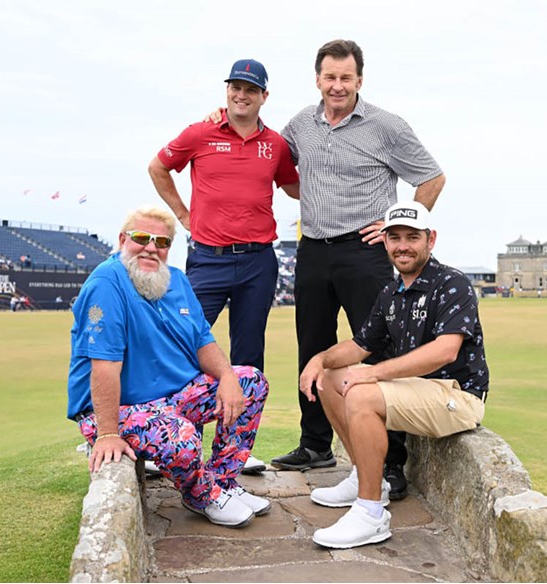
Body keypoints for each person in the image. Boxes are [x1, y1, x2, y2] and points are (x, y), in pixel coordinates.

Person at [269, 40, 446, 501]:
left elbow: (431, 176)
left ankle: (389, 464)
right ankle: (315, 446)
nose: (337, 86)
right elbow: (276, 165)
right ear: (317, 79)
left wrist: (393, 224)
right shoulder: (300, 125)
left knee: (375, 348)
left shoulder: (385, 126)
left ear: (359, 81)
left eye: (346, 78)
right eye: (330, 77)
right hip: (313, 248)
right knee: (313, 346)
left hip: (364, 254)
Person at [299, 201, 489, 549]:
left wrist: (373, 376)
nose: (403, 245)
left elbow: (445, 350)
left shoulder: (452, 283)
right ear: (384, 241)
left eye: (412, 237)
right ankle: (365, 477)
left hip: (456, 395)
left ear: (430, 240)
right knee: (329, 378)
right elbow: (360, 345)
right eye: (395, 237)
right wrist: (320, 359)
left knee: (360, 391)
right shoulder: (391, 291)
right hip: (416, 391)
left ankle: (371, 513)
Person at [66, 206, 271, 528]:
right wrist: (106, 434)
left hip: (173, 396)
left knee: (251, 381)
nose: (151, 247)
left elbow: (202, 340)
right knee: (179, 433)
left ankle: (223, 483)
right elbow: (104, 365)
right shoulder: (107, 283)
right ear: (122, 240)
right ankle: (201, 495)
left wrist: (228, 375)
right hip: (119, 407)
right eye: (142, 238)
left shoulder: (175, 279)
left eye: (161, 242)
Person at [149, 58, 299, 475]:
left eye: (250, 89)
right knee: (181, 344)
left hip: (257, 261)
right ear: (227, 91)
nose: (241, 95)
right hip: (208, 260)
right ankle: (170, 440)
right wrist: (182, 214)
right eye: (235, 87)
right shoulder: (201, 132)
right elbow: (158, 167)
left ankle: (235, 450)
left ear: (263, 96)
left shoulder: (276, 145)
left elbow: (293, 186)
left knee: (249, 354)